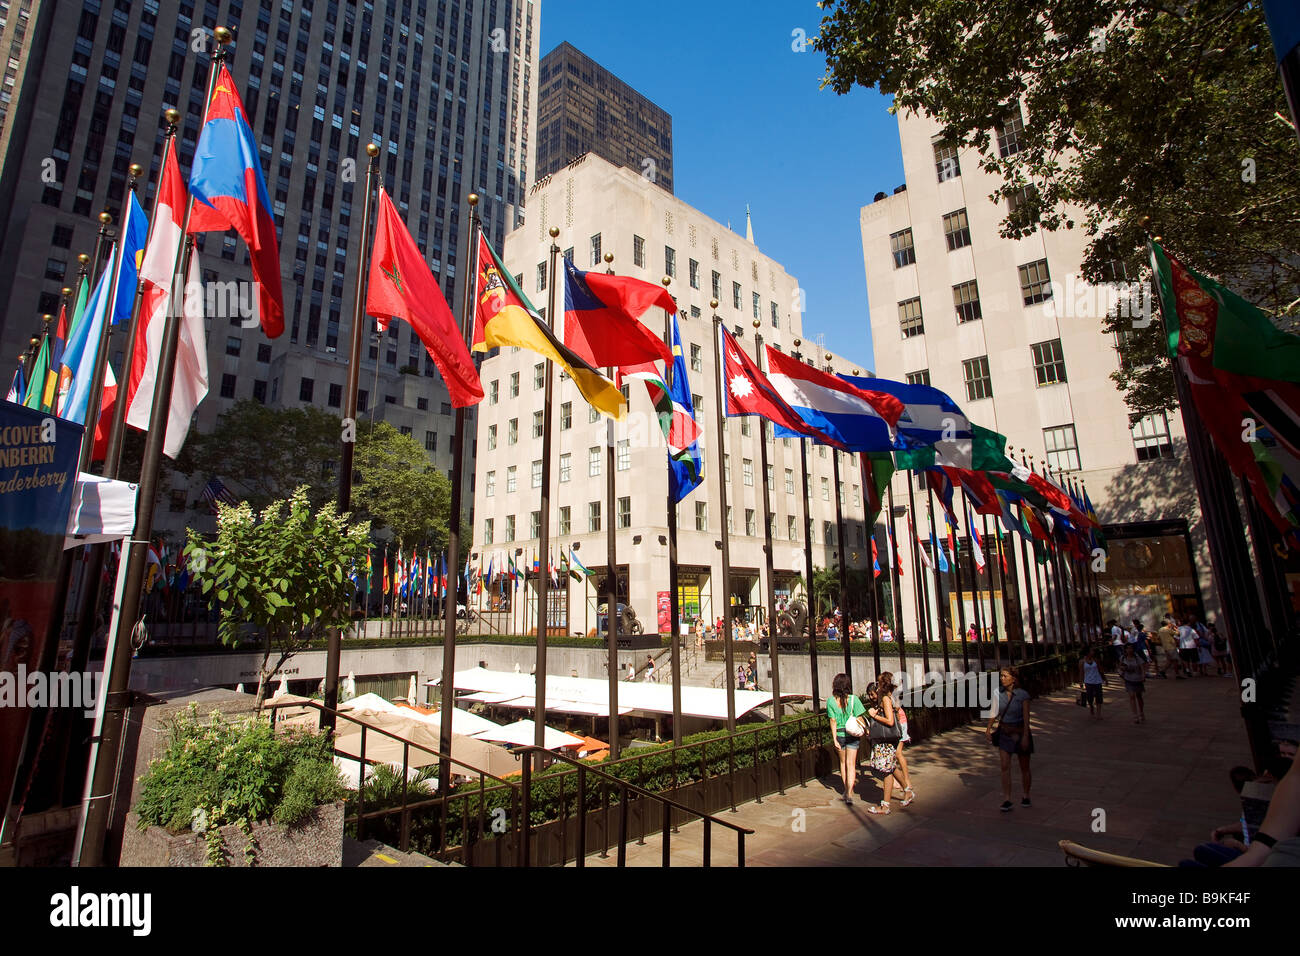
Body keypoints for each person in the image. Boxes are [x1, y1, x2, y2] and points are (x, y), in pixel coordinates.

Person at [987, 667, 1032, 811]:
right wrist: (988, 728)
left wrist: (1025, 736)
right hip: (1005, 732)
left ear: (1014, 678)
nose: (1002, 678)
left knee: (1024, 766)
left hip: (1019, 731)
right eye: (1001, 676)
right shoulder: (997, 693)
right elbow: (994, 711)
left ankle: (1025, 795)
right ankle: (1007, 798)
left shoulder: (1022, 695)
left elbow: (1026, 718)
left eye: (1005, 676)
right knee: (1005, 766)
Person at [863, 676, 909, 814]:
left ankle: (885, 806)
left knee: (886, 771)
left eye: (879, 682)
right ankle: (907, 790)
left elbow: (889, 721)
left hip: (886, 740)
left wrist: (874, 715)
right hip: (886, 739)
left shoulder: (885, 699)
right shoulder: (885, 698)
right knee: (891, 767)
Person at [826, 672, 866, 805]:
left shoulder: (831, 701)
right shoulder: (854, 699)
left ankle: (846, 790)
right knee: (851, 764)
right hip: (853, 734)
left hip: (840, 734)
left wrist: (834, 739)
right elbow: (860, 717)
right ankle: (849, 792)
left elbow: (832, 721)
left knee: (843, 764)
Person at [884, 672, 915, 806]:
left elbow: (896, 709)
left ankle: (906, 781)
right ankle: (903, 781)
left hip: (899, 723)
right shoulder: (890, 693)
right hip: (898, 723)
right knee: (895, 754)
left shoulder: (892, 694)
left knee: (897, 753)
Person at [1119, 642, 1147, 724]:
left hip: (1137, 679)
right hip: (1128, 679)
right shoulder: (1123, 658)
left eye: (1131, 648)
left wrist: (1143, 675)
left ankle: (1141, 712)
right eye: (1128, 648)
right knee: (1131, 696)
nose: (1129, 650)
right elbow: (1120, 666)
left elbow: (1142, 667)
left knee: (1139, 696)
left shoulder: (1137, 658)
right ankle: (1135, 715)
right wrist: (1122, 669)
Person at [1080, 647, 1104, 719]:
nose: (1093, 652)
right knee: (1090, 697)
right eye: (1091, 651)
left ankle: (1099, 713)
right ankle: (1091, 707)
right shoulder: (1082, 662)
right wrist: (1081, 682)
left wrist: (1104, 678)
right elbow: (1081, 672)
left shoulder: (1096, 660)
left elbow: (1100, 670)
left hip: (1097, 680)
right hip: (1088, 681)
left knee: (1099, 696)